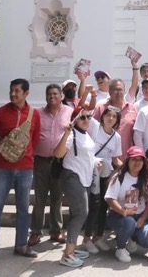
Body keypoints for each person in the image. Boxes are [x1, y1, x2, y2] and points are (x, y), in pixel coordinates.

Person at [0, 78, 41, 268]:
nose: (13, 94)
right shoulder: (0, 112)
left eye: (17, 91)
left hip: (25, 169)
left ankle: (21, 245)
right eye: (11, 90)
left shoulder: (34, 114)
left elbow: (35, 139)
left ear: (26, 93)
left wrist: (25, 156)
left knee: (23, 208)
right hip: (1, 168)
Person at [28, 84, 73, 247]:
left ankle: (56, 231)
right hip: (41, 161)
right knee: (39, 198)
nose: (52, 96)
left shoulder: (69, 112)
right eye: (49, 94)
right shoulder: (37, 113)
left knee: (57, 198)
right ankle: (35, 232)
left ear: (61, 96)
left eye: (55, 94)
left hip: (60, 162)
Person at [54, 109, 98, 268]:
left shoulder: (85, 134)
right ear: (75, 120)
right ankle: (67, 255)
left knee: (76, 213)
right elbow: (58, 154)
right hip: (72, 177)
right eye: (82, 117)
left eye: (88, 117)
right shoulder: (71, 135)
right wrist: (66, 133)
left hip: (85, 178)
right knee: (81, 213)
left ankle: (71, 248)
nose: (86, 120)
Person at [105, 145, 148, 263]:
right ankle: (120, 248)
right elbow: (110, 198)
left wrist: (143, 218)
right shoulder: (119, 177)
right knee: (129, 222)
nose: (137, 163)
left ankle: (132, 238)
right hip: (119, 215)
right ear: (127, 161)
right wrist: (123, 212)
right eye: (133, 159)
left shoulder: (147, 179)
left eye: (140, 160)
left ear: (144, 162)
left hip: (139, 215)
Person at [85, 105, 124, 252]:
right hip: (89, 171)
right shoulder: (95, 127)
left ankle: (99, 237)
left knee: (103, 205)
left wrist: (129, 168)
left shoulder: (117, 137)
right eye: (108, 115)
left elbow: (115, 159)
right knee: (92, 205)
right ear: (103, 117)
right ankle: (87, 238)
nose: (111, 118)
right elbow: (84, 113)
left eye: (114, 117)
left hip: (106, 174)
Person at [93, 79, 137, 161]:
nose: (118, 93)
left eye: (121, 90)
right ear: (110, 92)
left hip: (127, 156)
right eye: (115, 90)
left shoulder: (132, 108)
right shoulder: (101, 107)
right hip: (104, 158)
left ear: (124, 91)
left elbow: (136, 133)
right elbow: (93, 129)